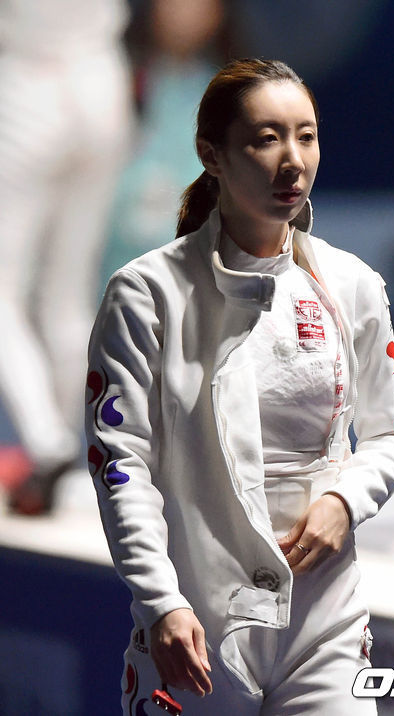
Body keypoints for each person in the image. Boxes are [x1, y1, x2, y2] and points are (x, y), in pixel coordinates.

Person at [85, 58, 394, 715]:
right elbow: (120, 462)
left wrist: (345, 501)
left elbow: (393, 434)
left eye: (306, 136)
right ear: (211, 154)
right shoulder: (147, 294)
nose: (292, 160)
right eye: (267, 139)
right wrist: (161, 600)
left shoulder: (353, 286)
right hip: (197, 625)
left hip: (325, 622)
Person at [0, 0, 133, 513]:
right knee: (67, 296)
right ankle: (84, 457)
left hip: (31, 82)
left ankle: (48, 443)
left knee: (6, 290)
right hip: (101, 84)